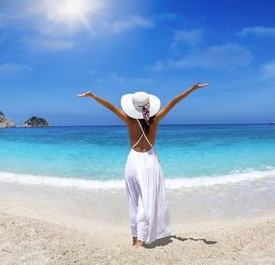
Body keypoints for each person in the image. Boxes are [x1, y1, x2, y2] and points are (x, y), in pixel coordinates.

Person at [77, 82, 209, 247]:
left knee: (134, 201)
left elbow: (109, 106)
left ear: (133, 107)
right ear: (149, 106)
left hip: (133, 161)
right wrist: (191, 89)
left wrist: (93, 96)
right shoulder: (155, 120)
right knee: (146, 202)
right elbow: (174, 102)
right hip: (149, 161)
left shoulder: (128, 120)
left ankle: (135, 239)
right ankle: (140, 241)